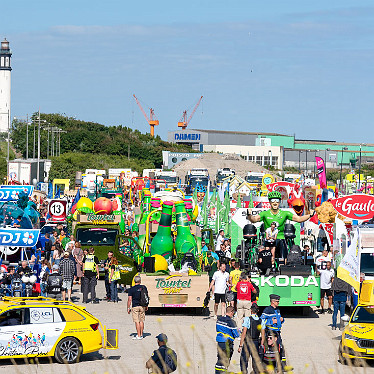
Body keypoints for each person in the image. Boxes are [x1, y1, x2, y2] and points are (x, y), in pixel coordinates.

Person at [248, 191, 313, 259]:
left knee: (283, 256)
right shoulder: (265, 213)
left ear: (280, 202)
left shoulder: (285, 213)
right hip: (268, 240)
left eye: (277, 200)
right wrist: (249, 215)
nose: (275, 202)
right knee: (266, 258)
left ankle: (282, 265)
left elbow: (299, 219)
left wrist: (310, 215)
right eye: (273, 200)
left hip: (280, 239)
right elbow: (254, 219)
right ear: (270, 202)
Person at [260, 294, 286, 368]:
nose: (278, 303)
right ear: (273, 302)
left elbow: (279, 320)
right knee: (270, 349)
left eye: (278, 301)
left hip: (278, 332)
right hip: (270, 333)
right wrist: (271, 322)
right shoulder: (267, 310)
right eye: (277, 301)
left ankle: (283, 365)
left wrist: (282, 320)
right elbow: (262, 321)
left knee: (281, 348)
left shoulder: (277, 310)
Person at [238, 303, 265, 374]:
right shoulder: (261, 320)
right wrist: (261, 345)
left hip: (248, 342)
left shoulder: (247, 319)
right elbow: (263, 335)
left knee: (244, 360)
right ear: (258, 310)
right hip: (256, 342)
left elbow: (244, 333)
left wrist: (240, 345)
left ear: (251, 310)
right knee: (255, 361)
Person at [215, 306, 240, 374]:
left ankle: (217, 372)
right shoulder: (231, 322)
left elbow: (217, 329)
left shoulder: (219, 319)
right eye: (233, 313)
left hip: (220, 342)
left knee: (219, 359)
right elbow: (237, 334)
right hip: (227, 343)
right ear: (231, 312)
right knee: (226, 360)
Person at [127, 275, 148, 340]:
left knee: (137, 321)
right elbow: (146, 297)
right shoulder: (143, 287)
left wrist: (128, 307)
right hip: (142, 305)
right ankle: (141, 334)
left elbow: (129, 299)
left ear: (134, 281)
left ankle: (138, 335)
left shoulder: (131, 289)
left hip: (135, 306)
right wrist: (146, 305)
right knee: (141, 320)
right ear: (140, 281)